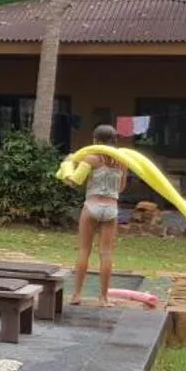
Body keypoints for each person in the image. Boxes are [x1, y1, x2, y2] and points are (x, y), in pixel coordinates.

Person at [71, 125, 127, 306]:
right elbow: (121, 187)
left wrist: (68, 163)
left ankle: (76, 295)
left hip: (92, 205)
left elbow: (75, 180)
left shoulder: (91, 158)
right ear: (114, 140)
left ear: (95, 140)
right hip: (111, 207)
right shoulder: (122, 161)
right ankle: (103, 298)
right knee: (106, 253)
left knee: (84, 250)